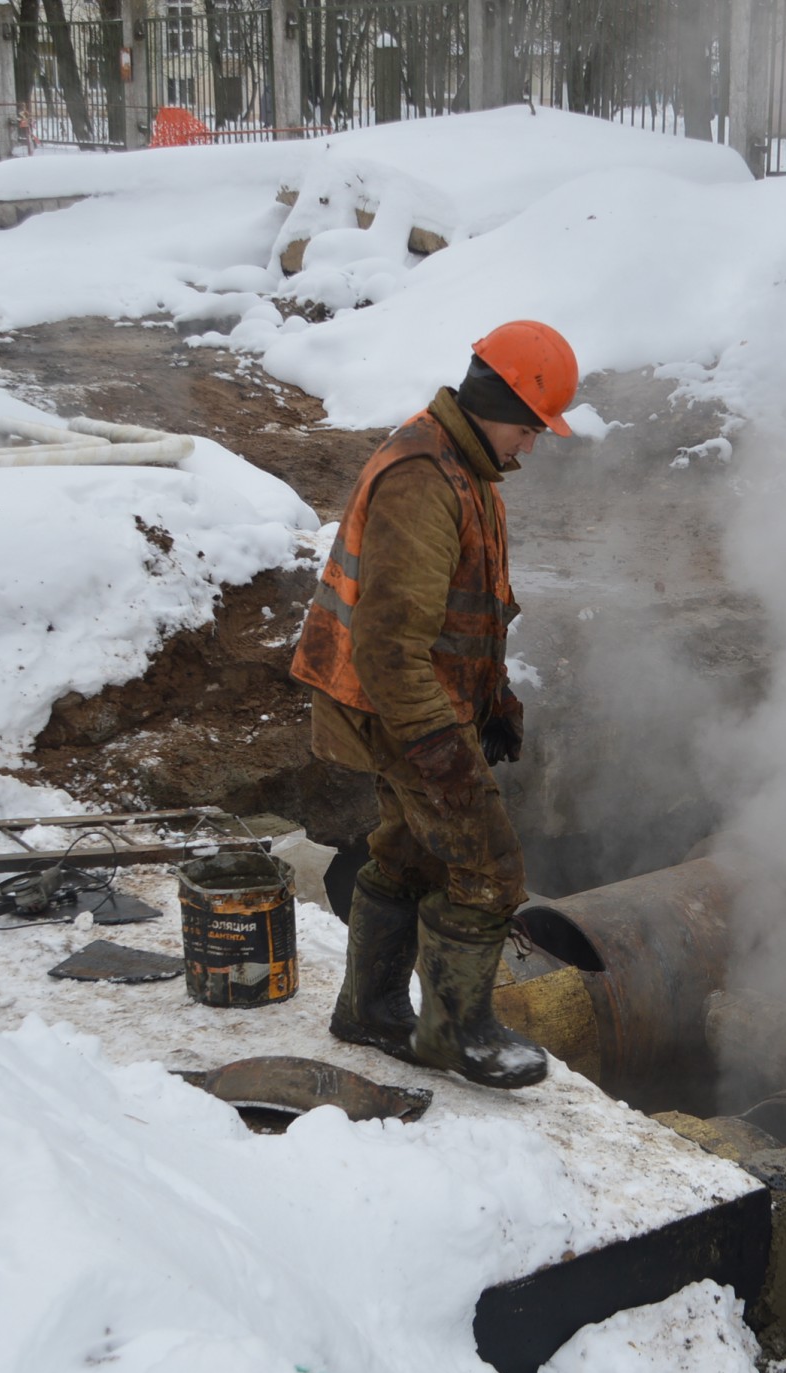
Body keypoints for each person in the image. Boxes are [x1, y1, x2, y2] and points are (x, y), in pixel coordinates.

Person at [290, 321, 579, 1089]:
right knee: (485, 864)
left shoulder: (466, 470)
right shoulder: (424, 482)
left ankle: (370, 1010)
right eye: (530, 428)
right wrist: (440, 750)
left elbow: (462, 615)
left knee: (412, 851)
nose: (531, 445)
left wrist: (494, 701)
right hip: (395, 708)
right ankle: (459, 1034)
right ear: (497, 403)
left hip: (417, 702)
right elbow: (389, 648)